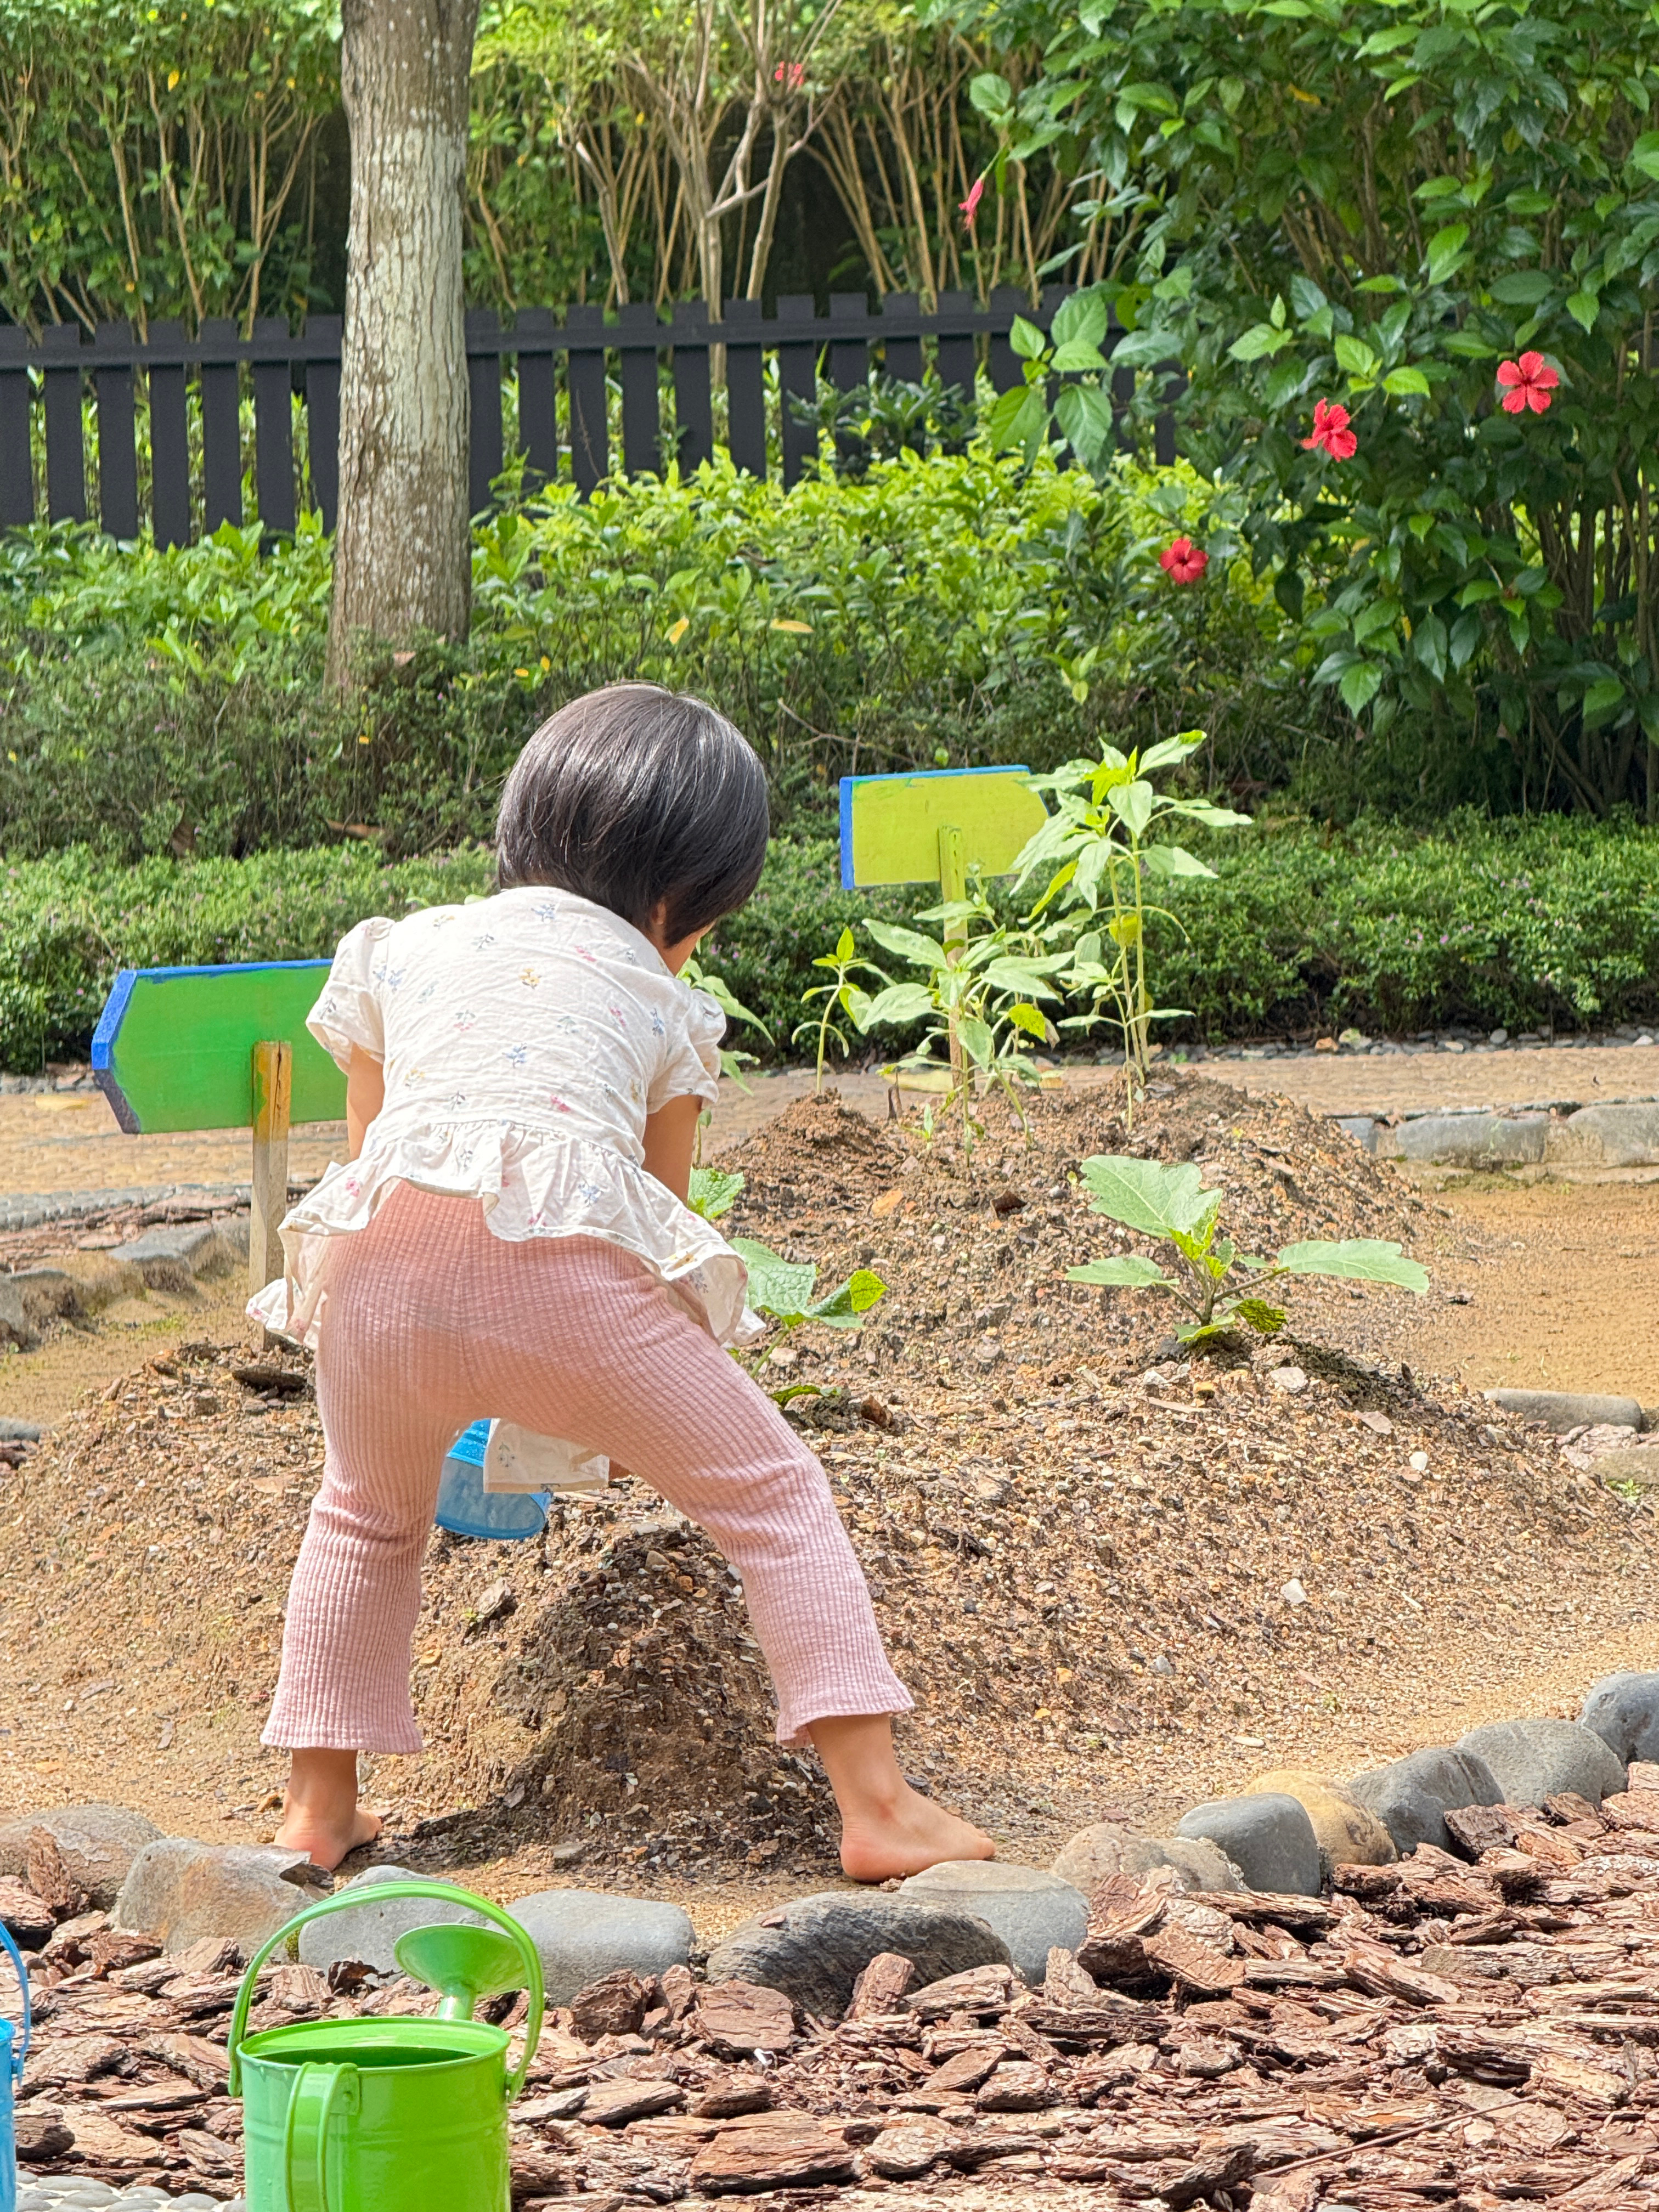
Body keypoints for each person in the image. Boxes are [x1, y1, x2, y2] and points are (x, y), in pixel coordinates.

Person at [255, 682, 995, 1880]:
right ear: (674, 905)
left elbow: (369, 1150)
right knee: (776, 1495)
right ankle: (879, 1808)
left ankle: (317, 1809)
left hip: (378, 1276)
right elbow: (657, 1212)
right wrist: (595, 1402)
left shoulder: (406, 945)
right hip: (568, 1287)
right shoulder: (661, 996)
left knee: (364, 1515)